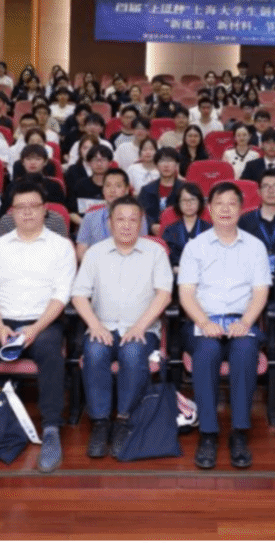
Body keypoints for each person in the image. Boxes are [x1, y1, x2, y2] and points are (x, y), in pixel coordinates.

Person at [0, 182, 74, 477]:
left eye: (34, 206)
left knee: (50, 352)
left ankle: (51, 430)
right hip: (3, 322)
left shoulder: (61, 247)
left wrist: (34, 328)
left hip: (43, 322)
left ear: (45, 210)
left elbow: (61, 295)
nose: (28, 212)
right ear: (12, 212)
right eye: (21, 207)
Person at [178, 182, 271, 470]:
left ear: (241, 209)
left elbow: (260, 292)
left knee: (245, 352)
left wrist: (246, 322)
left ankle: (239, 432)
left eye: (232, 203)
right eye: (220, 203)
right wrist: (204, 322)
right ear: (209, 209)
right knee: (206, 353)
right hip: (203, 321)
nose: (226, 209)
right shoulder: (195, 247)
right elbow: (186, 293)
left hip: (242, 321)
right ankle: (208, 433)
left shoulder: (255, 246)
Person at [72, 196, 174, 459]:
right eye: (120, 219)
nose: (126, 225)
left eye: (133, 220)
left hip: (142, 329)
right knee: (94, 352)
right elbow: (79, 294)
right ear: (109, 222)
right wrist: (94, 325)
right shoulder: (95, 253)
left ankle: (124, 421)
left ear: (141, 223)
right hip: (102, 326)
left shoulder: (155, 252)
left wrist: (140, 326)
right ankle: (100, 422)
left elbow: (164, 294)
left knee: (132, 352)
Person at [75, 168, 143, 260]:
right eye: (108, 186)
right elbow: (81, 251)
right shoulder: (90, 215)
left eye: (118, 186)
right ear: (103, 190)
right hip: (96, 264)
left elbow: (142, 248)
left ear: (127, 190)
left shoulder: (137, 216)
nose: (112, 190)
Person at [163, 182, 211, 272]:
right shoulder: (170, 230)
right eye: (184, 200)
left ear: (199, 202)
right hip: (178, 274)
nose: (188, 204)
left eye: (192, 200)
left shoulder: (210, 229)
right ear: (178, 203)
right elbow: (168, 260)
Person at [139, 147, 184, 235]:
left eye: (170, 161)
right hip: (151, 236)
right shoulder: (146, 190)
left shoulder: (185, 189)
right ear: (156, 166)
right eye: (162, 161)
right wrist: (151, 226)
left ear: (176, 165)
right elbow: (139, 213)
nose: (166, 165)